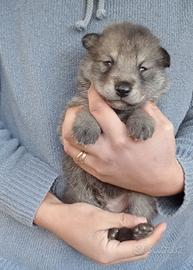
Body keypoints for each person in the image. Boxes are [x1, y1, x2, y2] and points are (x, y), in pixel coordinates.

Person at [0, 1, 192, 269]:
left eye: (142, 69)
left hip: (168, 257)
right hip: (24, 252)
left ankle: (133, 227)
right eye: (107, 63)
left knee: (140, 204)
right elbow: (80, 117)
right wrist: (50, 212)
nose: (122, 80)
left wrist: (175, 177)